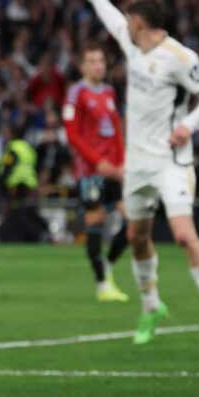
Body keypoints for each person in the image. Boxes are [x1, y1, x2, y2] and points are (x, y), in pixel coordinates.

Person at [71, 0, 199, 345]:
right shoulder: (132, 44)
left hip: (170, 161)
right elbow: (111, 19)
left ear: (140, 21)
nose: (125, 23)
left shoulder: (179, 56)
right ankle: (150, 307)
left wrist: (188, 126)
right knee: (136, 236)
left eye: (130, 18)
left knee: (183, 235)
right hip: (137, 164)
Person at [62, 43, 130, 302]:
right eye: (92, 61)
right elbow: (72, 135)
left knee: (134, 221)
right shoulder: (76, 93)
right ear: (82, 66)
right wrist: (97, 161)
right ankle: (102, 284)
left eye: (101, 60)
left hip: (114, 169)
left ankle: (107, 264)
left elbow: (116, 131)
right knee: (96, 222)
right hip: (90, 170)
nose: (98, 65)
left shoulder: (110, 93)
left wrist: (122, 162)